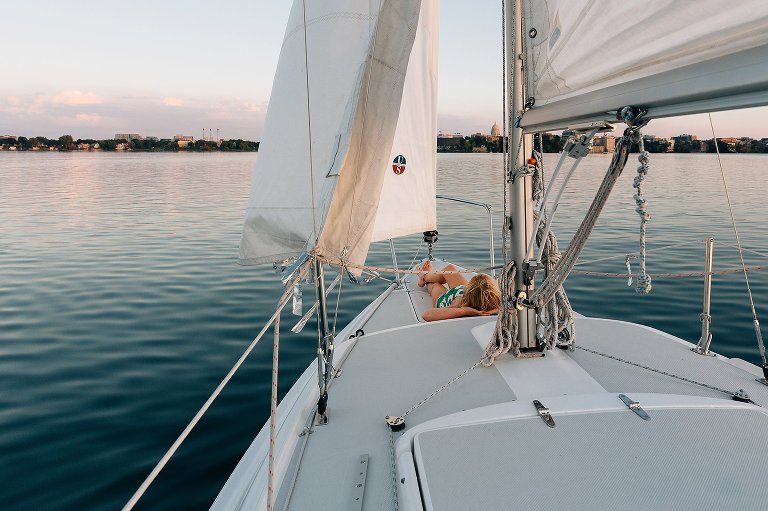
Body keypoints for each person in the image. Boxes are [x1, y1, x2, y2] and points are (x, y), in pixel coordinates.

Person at [418, 260, 500, 322]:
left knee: (435, 285)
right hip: (463, 291)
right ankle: (427, 275)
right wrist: (496, 310)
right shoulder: (496, 302)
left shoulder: (458, 305)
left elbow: (427, 315)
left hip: (445, 299)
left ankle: (424, 277)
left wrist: (463, 311)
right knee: (449, 269)